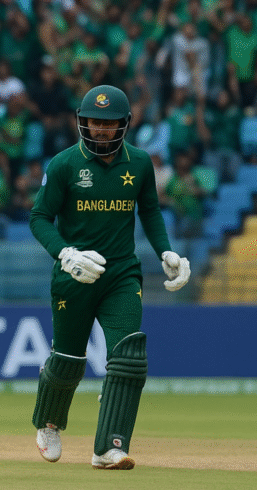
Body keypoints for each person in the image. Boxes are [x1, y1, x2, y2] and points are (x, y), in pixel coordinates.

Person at [28, 84, 191, 470]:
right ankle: (48, 422)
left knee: (128, 358)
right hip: (75, 274)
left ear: (125, 124)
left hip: (121, 273)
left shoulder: (139, 163)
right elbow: (39, 218)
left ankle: (108, 448)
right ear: (82, 123)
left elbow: (149, 211)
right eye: (94, 123)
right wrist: (65, 253)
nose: (101, 130)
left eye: (109, 123)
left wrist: (166, 250)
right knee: (68, 360)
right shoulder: (65, 164)